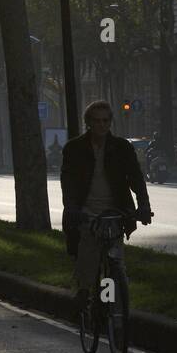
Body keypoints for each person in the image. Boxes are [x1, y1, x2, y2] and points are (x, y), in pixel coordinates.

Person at [60, 100, 153, 312]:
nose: (102, 125)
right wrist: (72, 207)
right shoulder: (74, 148)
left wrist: (143, 205)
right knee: (89, 255)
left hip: (115, 212)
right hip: (86, 212)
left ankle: (111, 308)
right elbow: (68, 182)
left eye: (106, 120)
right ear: (88, 123)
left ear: (110, 122)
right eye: (97, 121)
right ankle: (84, 291)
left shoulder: (122, 147)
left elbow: (136, 179)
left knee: (116, 261)